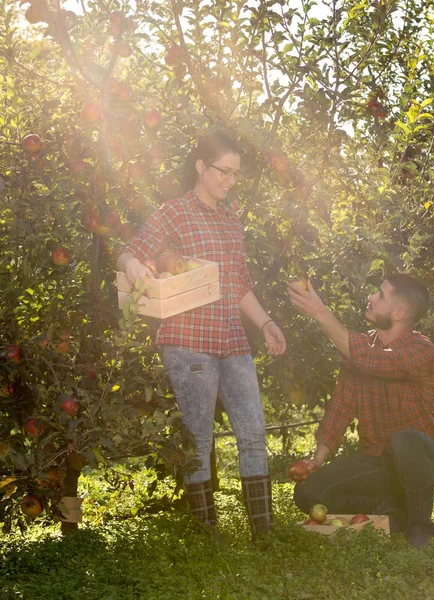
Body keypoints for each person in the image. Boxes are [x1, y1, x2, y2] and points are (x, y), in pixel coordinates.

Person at [117, 131, 286, 539]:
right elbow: (129, 250)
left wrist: (265, 323)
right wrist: (137, 267)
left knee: (253, 432)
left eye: (235, 174)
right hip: (188, 340)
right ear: (200, 167)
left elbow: (238, 283)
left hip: (232, 338)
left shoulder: (231, 220)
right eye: (223, 171)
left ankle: (262, 533)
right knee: (198, 438)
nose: (230, 180)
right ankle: (207, 533)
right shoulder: (174, 212)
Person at [287, 273, 434, 549]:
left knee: (405, 440)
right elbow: (340, 406)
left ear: (399, 313)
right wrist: (318, 458)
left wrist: (320, 313)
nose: (371, 297)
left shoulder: (421, 350)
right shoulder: (362, 347)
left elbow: (376, 362)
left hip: (422, 459)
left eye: (380, 295)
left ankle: (421, 527)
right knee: (308, 493)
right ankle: (395, 513)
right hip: (378, 461)